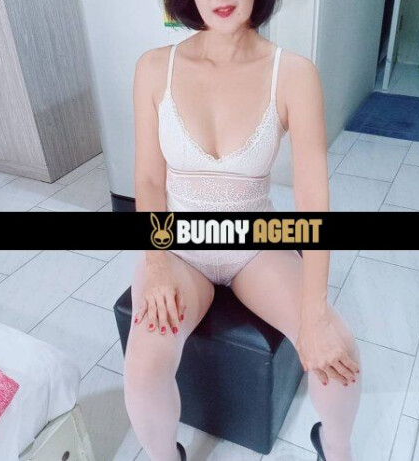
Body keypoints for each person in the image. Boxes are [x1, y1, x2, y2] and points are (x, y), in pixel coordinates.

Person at [123, 1, 362, 460]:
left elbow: (313, 199)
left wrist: (314, 314)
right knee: (143, 368)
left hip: (255, 247)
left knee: (341, 352)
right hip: (180, 248)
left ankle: (335, 449)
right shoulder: (154, 68)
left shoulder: (293, 74)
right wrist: (155, 266)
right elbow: (149, 181)